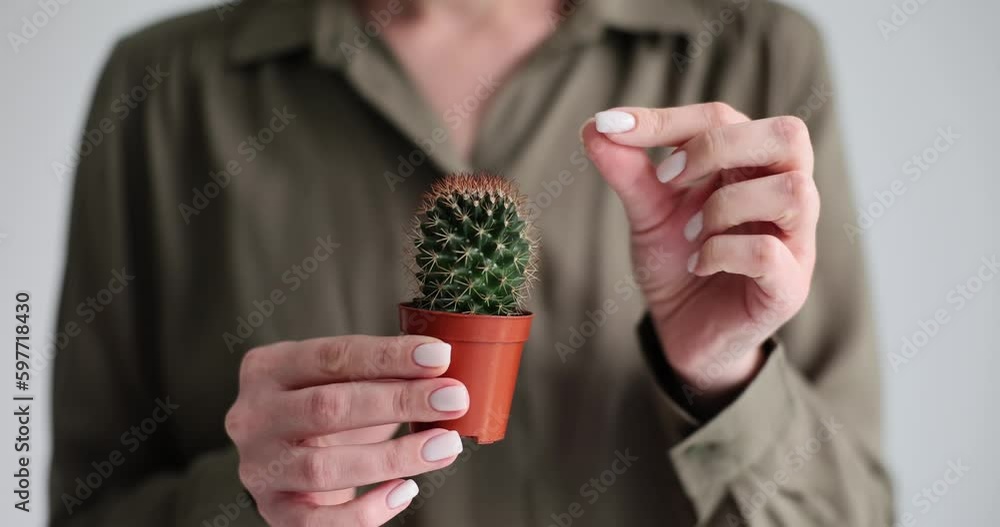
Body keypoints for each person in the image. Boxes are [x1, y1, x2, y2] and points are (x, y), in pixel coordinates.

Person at [48, 0, 893, 525]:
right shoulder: (165, 89)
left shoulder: (753, 55)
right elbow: (86, 506)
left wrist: (720, 372)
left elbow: (857, 517)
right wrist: (250, 502)